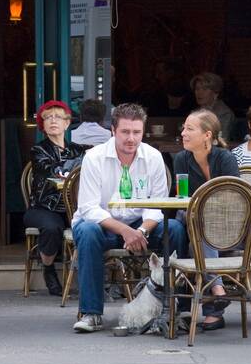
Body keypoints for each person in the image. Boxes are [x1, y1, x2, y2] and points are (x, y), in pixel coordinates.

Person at [70, 102, 188, 334]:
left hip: (140, 224)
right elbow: (89, 208)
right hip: (104, 226)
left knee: (174, 228)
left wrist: (141, 231)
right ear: (113, 131)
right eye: (125, 132)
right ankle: (91, 313)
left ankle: (177, 308)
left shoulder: (153, 157)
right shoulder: (94, 157)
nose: (131, 138)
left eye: (136, 132)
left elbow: (159, 205)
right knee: (86, 230)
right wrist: (124, 231)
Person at [170, 109, 238, 330]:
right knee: (197, 221)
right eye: (184, 128)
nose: (183, 133)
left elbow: (234, 198)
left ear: (207, 135)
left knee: (198, 234)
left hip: (227, 226)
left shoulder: (225, 158)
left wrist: (205, 208)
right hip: (189, 217)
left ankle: (207, 308)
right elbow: (181, 197)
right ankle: (216, 294)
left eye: (190, 129)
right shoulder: (181, 159)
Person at [25, 100, 87, 296]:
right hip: (44, 207)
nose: (53, 121)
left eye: (58, 117)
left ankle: (97, 276)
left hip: (74, 206)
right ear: (42, 125)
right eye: (47, 117)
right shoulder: (39, 150)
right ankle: (49, 269)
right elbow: (53, 170)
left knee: (94, 225)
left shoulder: (78, 149)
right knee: (52, 227)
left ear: (67, 123)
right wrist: (76, 164)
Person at [191, 72, 235, 144]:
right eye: (197, 89)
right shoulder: (195, 112)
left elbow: (222, 140)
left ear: (215, 93)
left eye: (205, 89)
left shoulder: (224, 114)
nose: (199, 92)